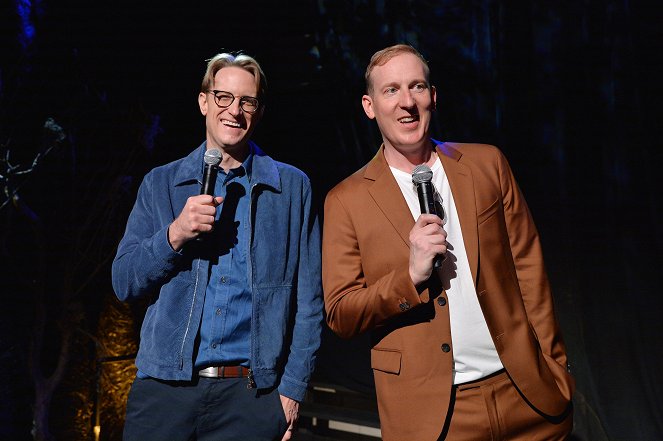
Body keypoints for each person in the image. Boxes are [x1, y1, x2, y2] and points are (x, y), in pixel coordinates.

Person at [322, 44, 574, 440]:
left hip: (525, 393)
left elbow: (529, 268)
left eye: (417, 86)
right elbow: (341, 312)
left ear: (433, 96)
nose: (407, 102)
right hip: (434, 417)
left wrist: (553, 365)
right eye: (391, 91)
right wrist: (409, 276)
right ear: (369, 106)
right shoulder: (346, 200)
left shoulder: (486, 164)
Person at [112, 52, 323, 441]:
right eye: (223, 97)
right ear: (204, 101)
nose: (234, 111)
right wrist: (174, 234)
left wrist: (293, 389)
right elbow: (124, 281)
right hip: (164, 390)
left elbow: (310, 301)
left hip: (250, 396)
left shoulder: (292, 188)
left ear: (258, 111)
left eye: (247, 101)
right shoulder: (161, 184)